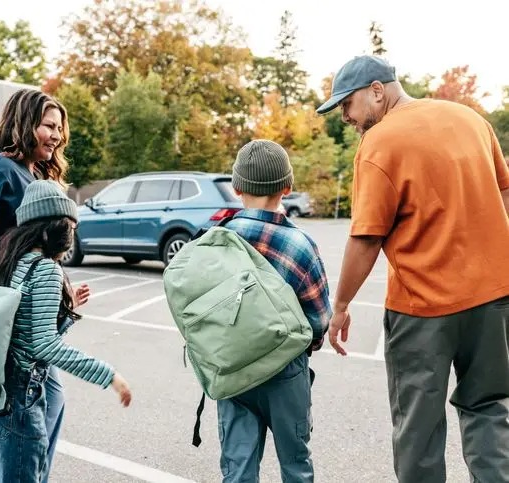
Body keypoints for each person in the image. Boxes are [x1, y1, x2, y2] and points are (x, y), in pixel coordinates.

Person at [317, 55, 509, 483]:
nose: (346, 117)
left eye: (347, 105)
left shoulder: (381, 143)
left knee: (418, 430)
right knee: (490, 409)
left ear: (378, 91)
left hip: (422, 309)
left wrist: (342, 304)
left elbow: (367, 236)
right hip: (494, 302)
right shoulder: (470, 120)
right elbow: (504, 192)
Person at [0, 88, 87, 482]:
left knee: (45, 405)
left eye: (59, 128)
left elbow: (32, 249)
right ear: (24, 122)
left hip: (24, 316)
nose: (57, 135)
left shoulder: (34, 174)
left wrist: (61, 288)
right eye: (49, 125)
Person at [0, 179, 131, 482]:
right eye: (70, 227)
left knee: (7, 466)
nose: (73, 235)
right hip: (20, 393)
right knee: (25, 469)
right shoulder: (46, 268)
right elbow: (45, 345)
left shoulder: (10, 260)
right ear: (49, 230)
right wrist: (109, 375)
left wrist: (66, 307)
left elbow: (22, 326)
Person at [217, 140, 331, 482]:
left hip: (234, 369)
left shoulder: (218, 238)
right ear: (288, 187)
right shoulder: (300, 245)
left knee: (238, 468)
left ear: (237, 188)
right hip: (285, 371)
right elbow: (319, 318)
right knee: (296, 464)